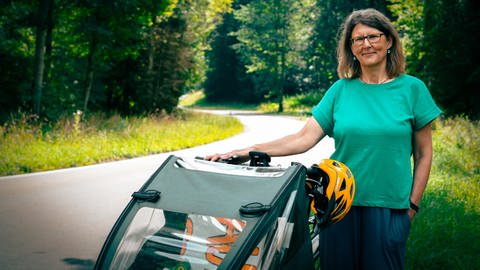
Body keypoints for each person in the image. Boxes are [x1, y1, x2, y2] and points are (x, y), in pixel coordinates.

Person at [205, 8, 441, 270]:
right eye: (358, 39)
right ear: (351, 48)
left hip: (389, 208)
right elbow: (303, 138)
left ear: (388, 41)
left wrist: (411, 208)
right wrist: (247, 151)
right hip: (338, 207)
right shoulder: (341, 90)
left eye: (373, 37)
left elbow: (423, 154)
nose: (366, 44)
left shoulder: (412, 89)